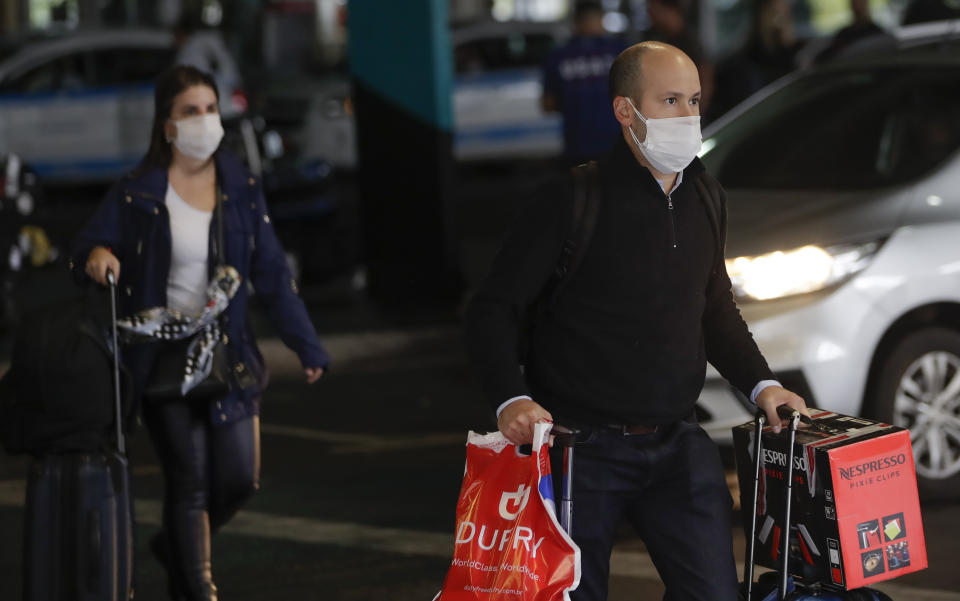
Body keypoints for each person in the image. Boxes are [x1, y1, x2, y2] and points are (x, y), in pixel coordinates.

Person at [464, 42, 808, 600]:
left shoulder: (704, 194)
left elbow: (714, 304)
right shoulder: (572, 197)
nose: (687, 117)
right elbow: (491, 310)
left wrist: (763, 385)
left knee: (716, 594)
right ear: (626, 111)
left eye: (694, 101)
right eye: (669, 100)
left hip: (677, 442)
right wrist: (511, 399)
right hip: (580, 451)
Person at [71, 65, 330, 601]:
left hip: (228, 357)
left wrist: (305, 344)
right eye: (190, 111)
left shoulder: (241, 186)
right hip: (160, 359)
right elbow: (88, 247)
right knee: (187, 483)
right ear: (167, 125)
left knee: (238, 480)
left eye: (210, 109)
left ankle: (176, 546)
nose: (205, 120)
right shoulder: (138, 192)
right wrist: (97, 256)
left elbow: (273, 274)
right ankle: (196, 587)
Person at [542, 1, 627, 164]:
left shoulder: (558, 56)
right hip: (616, 143)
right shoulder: (620, 51)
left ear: (575, 22)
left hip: (576, 144)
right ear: (601, 19)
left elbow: (548, 104)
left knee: (581, 187)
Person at [644, 0, 714, 114]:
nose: (649, 13)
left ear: (668, 10)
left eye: (653, 9)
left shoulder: (689, 42)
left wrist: (697, 111)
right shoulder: (659, 37)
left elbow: (706, 76)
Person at [815, 0, 889, 64]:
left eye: (860, 3)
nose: (858, 7)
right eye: (855, 3)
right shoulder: (844, 34)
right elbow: (829, 54)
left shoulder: (877, 33)